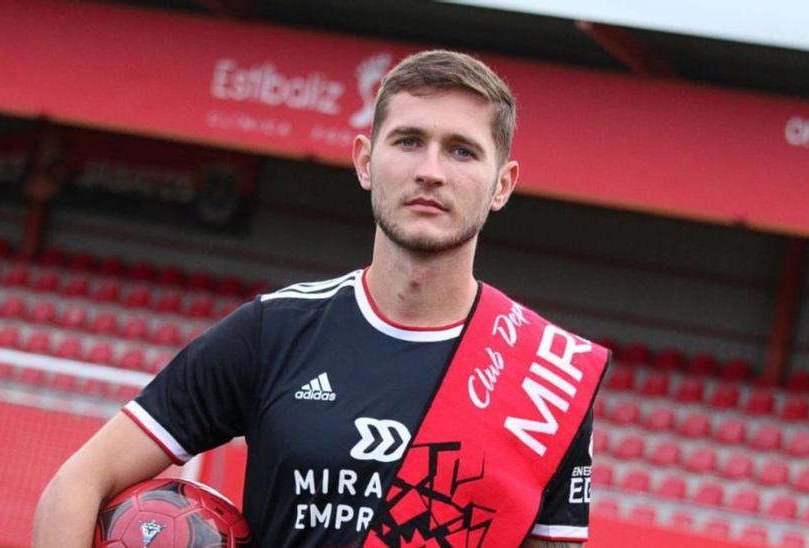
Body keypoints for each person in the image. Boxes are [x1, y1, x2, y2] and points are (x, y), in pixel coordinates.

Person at [34, 50, 604, 548]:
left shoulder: (548, 377)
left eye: (461, 151)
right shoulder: (273, 330)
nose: (430, 171)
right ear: (364, 160)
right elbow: (77, 483)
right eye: (409, 141)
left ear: (502, 183)